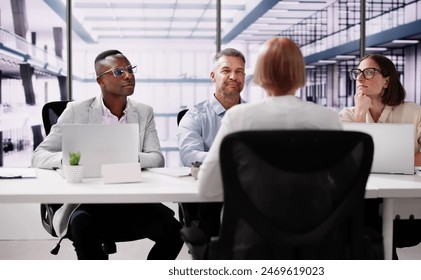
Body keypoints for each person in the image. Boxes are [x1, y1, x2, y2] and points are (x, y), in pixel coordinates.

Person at [31, 49, 183, 260]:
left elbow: (156, 157)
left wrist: (127, 156)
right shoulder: (76, 111)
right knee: (82, 227)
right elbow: (39, 155)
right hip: (88, 200)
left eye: (130, 69)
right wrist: (73, 158)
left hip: (132, 198)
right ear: (101, 81)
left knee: (175, 233)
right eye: (118, 71)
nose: (129, 75)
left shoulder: (144, 111)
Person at [198, 37, 342, 200]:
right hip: (316, 222)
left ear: (260, 73)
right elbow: (344, 182)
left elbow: (206, 189)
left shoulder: (239, 117)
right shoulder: (328, 118)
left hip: (252, 223)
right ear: (300, 72)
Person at [338, 53, 421, 259]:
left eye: (369, 72)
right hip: (363, 198)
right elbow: (348, 160)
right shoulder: (348, 115)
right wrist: (361, 115)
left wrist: (395, 161)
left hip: (399, 198)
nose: (360, 79)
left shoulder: (411, 111)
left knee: (376, 241)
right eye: (358, 73)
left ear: (387, 80)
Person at [177, 48, 246, 235]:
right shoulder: (194, 116)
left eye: (239, 71)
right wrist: (233, 160)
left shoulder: (254, 115)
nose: (233, 76)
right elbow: (189, 155)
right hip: (212, 193)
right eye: (226, 70)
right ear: (213, 75)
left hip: (249, 189)